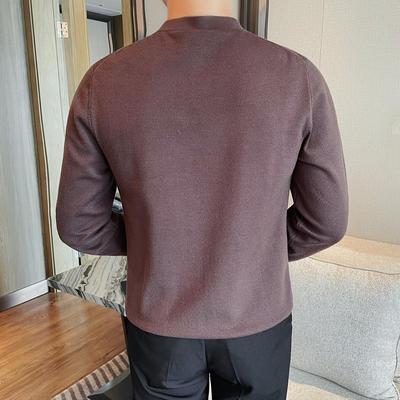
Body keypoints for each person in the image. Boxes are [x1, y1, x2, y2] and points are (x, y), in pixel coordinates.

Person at [55, 0, 349, 398]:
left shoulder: (103, 82)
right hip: (256, 318)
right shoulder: (298, 78)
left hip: (160, 320)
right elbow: (327, 221)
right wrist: (255, 251)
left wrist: (153, 242)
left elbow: (78, 225)